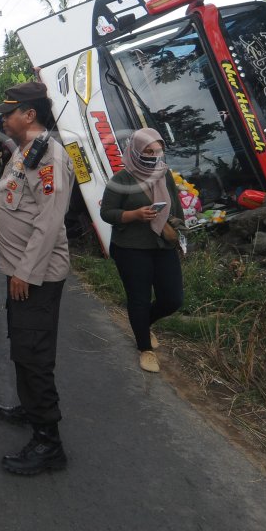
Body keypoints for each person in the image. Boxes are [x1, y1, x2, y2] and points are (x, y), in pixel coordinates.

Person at [0, 81, 73, 475]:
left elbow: (50, 219)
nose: (3, 118)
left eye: (9, 112)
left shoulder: (49, 157)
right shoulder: (27, 151)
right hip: (22, 273)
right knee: (23, 346)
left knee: (34, 354)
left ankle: (48, 444)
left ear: (29, 114)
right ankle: (29, 407)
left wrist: (25, 270)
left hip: (35, 276)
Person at [99, 128, 185, 373]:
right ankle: (145, 348)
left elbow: (176, 207)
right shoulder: (121, 179)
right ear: (136, 151)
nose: (153, 155)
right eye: (148, 150)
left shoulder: (164, 174)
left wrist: (176, 228)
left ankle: (144, 323)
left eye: (157, 150)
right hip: (131, 248)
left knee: (173, 299)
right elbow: (107, 213)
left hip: (162, 245)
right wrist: (135, 215)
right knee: (139, 298)